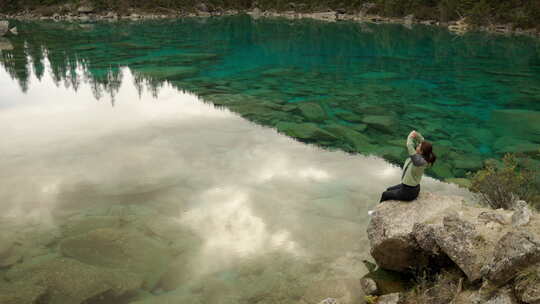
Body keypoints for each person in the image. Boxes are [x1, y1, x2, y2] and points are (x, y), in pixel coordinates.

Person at [379, 130, 436, 203]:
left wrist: (410, 136)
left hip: (408, 192)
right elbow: (422, 141)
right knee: (389, 189)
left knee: (385, 194)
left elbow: (409, 145)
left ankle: (376, 213)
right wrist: (417, 135)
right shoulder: (423, 157)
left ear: (421, 151)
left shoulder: (418, 161)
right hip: (409, 187)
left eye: (418, 146)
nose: (417, 146)